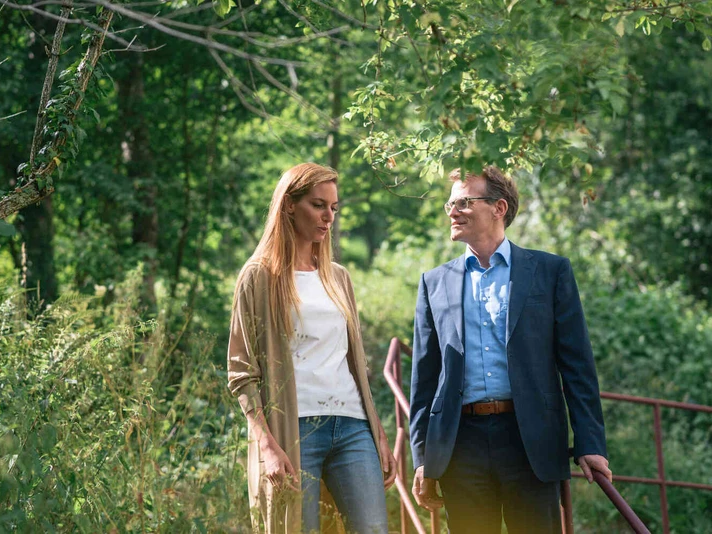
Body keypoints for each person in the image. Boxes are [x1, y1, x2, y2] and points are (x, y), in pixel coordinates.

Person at [408, 166, 612, 533]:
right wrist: (423, 457)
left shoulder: (550, 271)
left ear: (498, 208)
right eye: (449, 204)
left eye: (463, 202)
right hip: (460, 445)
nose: (452, 211)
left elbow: (577, 366)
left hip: (531, 440)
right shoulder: (434, 282)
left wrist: (590, 442)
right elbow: (424, 380)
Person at [228, 163, 396, 534]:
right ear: (289, 204)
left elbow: (354, 364)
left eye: (333, 208)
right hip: (295, 430)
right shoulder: (259, 276)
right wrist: (267, 446)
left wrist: (378, 433)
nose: (328, 217)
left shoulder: (338, 278)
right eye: (318, 205)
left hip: (353, 426)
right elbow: (241, 373)